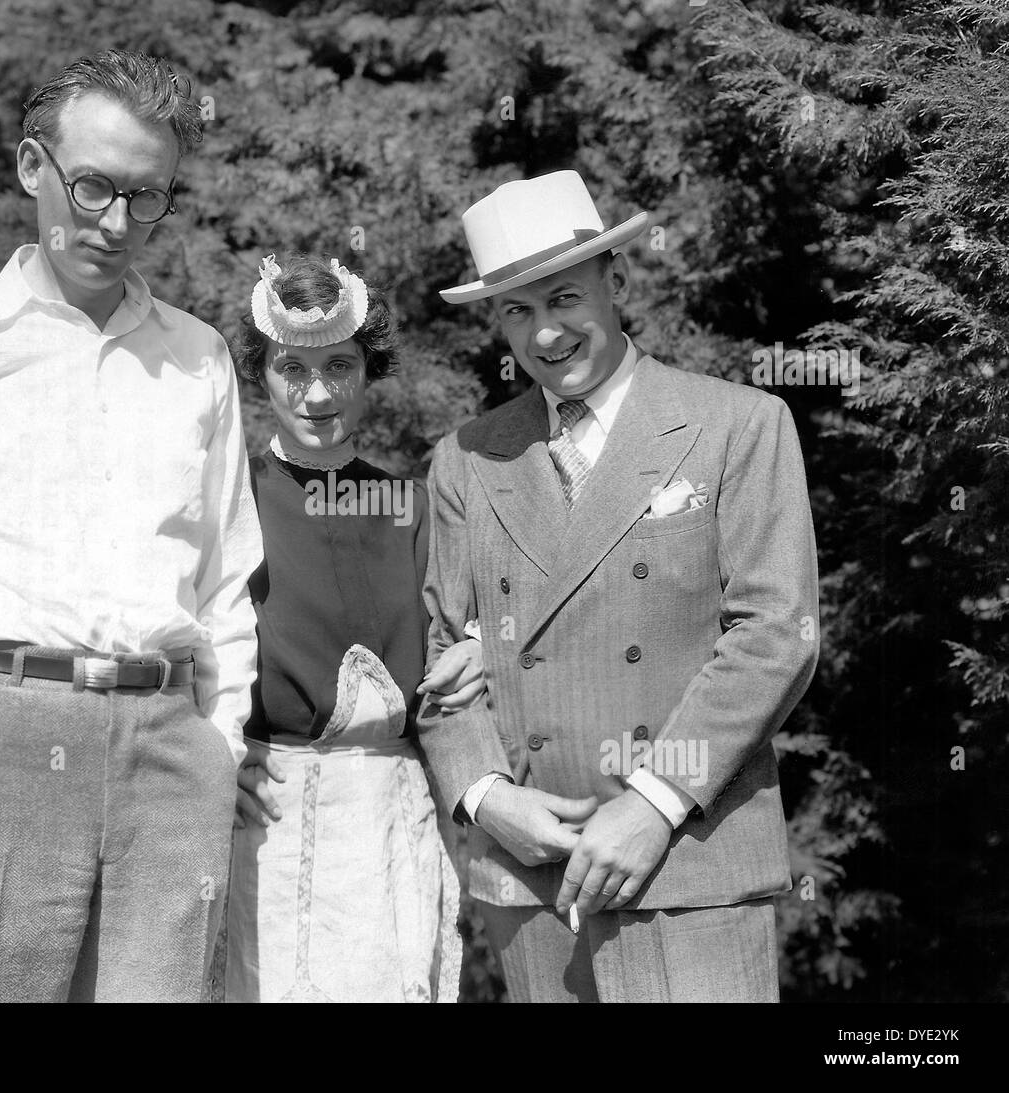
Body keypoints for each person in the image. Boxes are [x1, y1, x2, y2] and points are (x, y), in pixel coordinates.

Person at [0, 49, 261, 1002]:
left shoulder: (201, 359)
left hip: (170, 763)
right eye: (94, 186)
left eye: (147, 197)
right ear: (33, 168)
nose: (116, 223)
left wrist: (216, 750)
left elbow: (229, 585)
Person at [417, 170, 820, 1002]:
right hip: (533, 879)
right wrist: (488, 797)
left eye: (563, 298)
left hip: (688, 866)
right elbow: (440, 653)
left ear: (619, 280)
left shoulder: (738, 425)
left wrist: (652, 801)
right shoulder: (467, 457)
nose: (545, 333)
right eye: (517, 312)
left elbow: (776, 633)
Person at [214, 253, 484, 1002]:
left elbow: (470, 632)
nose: (318, 392)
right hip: (265, 817)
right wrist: (208, 752)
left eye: (340, 365)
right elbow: (179, 640)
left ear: (370, 370)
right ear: (259, 374)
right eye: (291, 369)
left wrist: (481, 647)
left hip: (388, 819)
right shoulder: (229, 500)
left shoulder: (411, 506)